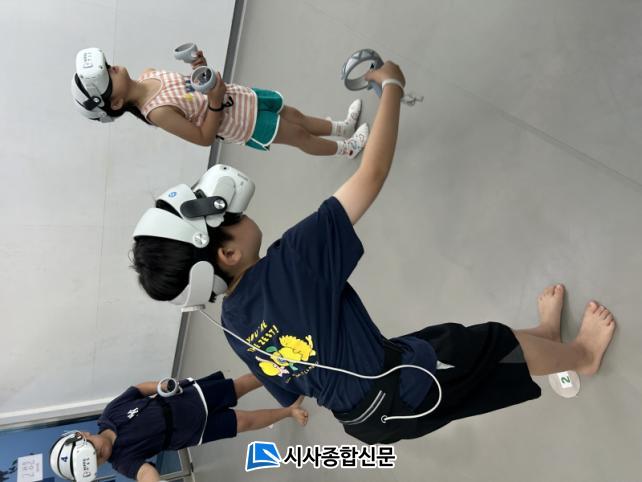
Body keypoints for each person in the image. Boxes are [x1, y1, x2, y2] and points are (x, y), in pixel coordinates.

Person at [130, 61, 616, 444]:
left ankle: (547, 336)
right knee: (494, 347)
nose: (239, 214)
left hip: (368, 415)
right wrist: (392, 87)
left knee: (459, 340)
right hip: (408, 386)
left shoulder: (233, 320)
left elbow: (290, 386)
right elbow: (372, 174)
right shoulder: (294, 259)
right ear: (228, 254)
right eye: (228, 218)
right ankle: (582, 355)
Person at [71, 47, 368, 157]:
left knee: (296, 115)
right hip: (242, 123)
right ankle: (348, 148)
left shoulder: (149, 73)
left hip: (240, 96)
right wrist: (214, 102)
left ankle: (341, 128)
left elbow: (192, 90)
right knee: (299, 135)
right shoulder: (157, 112)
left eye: (106, 65)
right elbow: (203, 138)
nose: (111, 67)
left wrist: (199, 66)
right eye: (107, 74)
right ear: (116, 103)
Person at [50, 372, 308, 481]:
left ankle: (283, 370)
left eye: (93, 449)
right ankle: (288, 411)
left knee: (238, 386)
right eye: (97, 460)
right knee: (243, 422)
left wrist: (160, 385)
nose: (101, 454)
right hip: (192, 432)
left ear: (84, 435)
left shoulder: (111, 413)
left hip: (187, 398)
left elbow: (137, 389)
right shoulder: (122, 462)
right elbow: (145, 473)